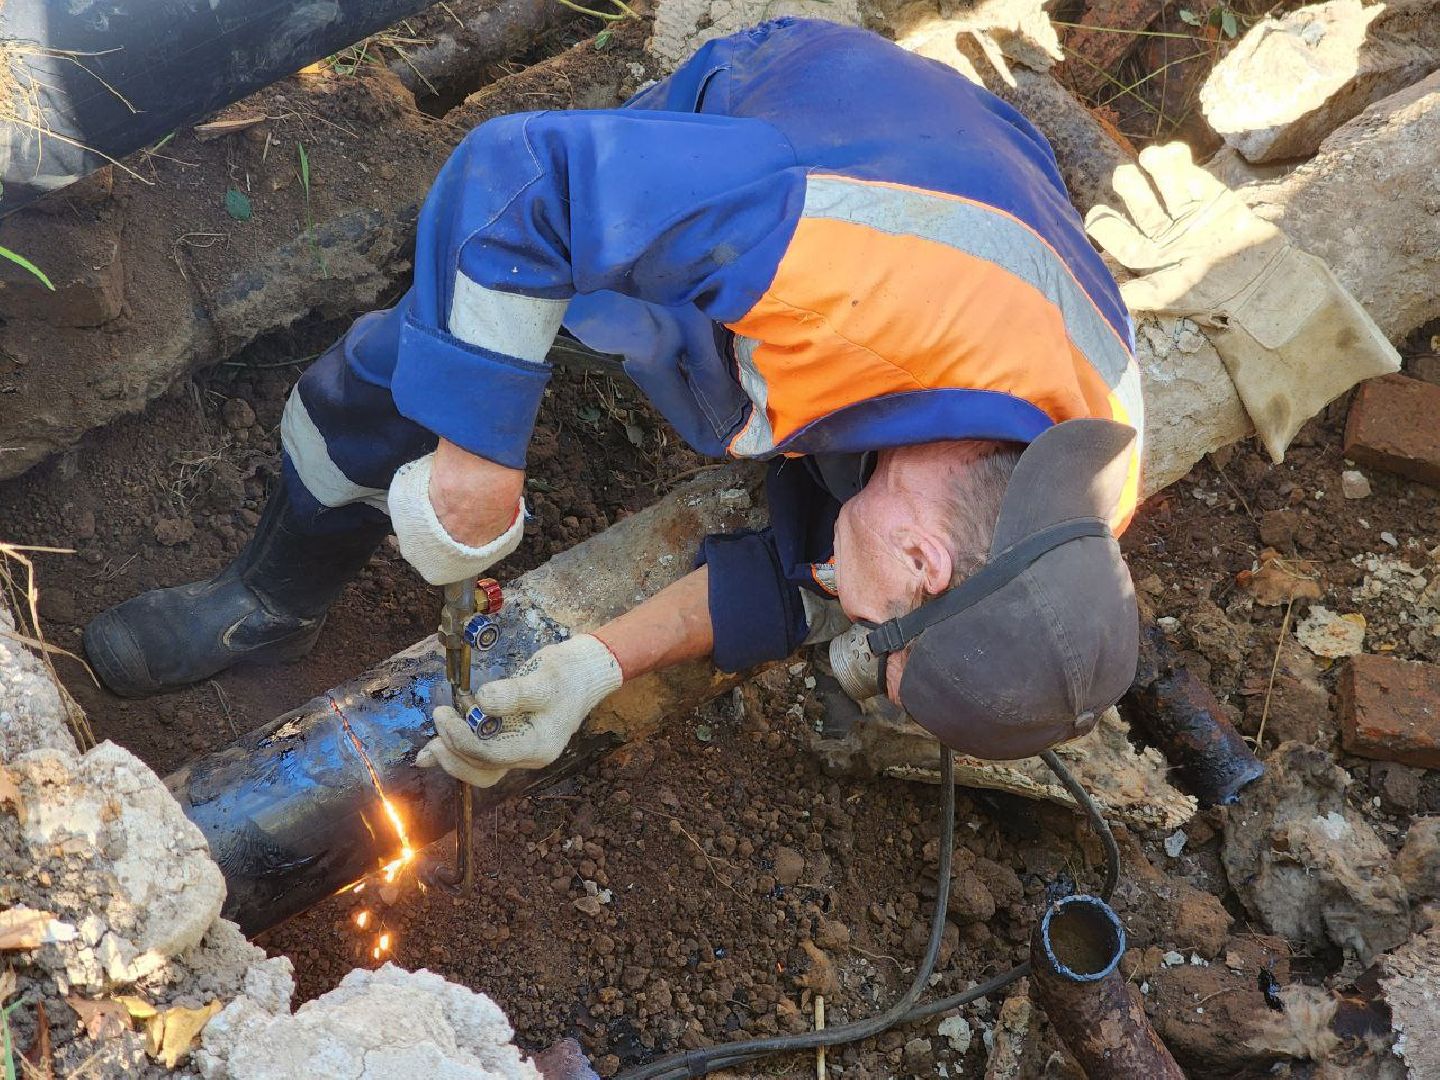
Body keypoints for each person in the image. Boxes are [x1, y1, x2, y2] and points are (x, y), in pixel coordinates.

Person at [82, 17, 1144, 783]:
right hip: (795, 120)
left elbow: (809, 578)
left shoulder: (1074, 508)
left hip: (972, 194)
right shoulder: (825, 262)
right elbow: (517, 180)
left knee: (813, 496)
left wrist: (596, 666)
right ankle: (270, 600)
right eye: (874, 632)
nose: (846, 623)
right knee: (415, 359)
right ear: (925, 564)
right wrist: (475, 448)